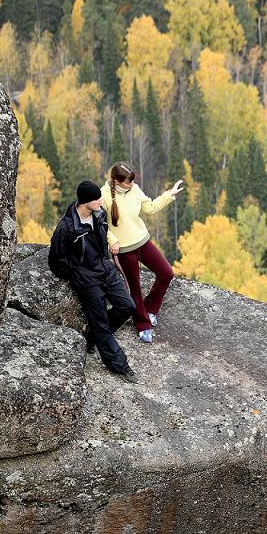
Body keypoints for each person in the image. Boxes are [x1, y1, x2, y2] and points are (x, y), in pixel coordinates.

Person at [48, 180, 136, 380]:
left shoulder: (99, 215)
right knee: (101, 323)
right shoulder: (67, 227)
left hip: (105, 269)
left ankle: (94, 337)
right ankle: (119, 365)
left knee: (127, 306)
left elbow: (102, 241)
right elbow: (56, 261)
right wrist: (76, 273)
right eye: (96, 198)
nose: (100, 201)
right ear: (85, 201)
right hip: (86, 279)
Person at [99, 163, 184, 344]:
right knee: (134, 289)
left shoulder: (135, 189)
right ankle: (143, 324)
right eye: (127, 182)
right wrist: (111, 240)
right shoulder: (103, 195)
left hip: (142, 241)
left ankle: (150, 308)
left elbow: (150, 208)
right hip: (123, 250)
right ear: (116, 181)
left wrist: (169, 194)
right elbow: (99, 224)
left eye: (132, 181)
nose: (131, 184)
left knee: (166, 273)